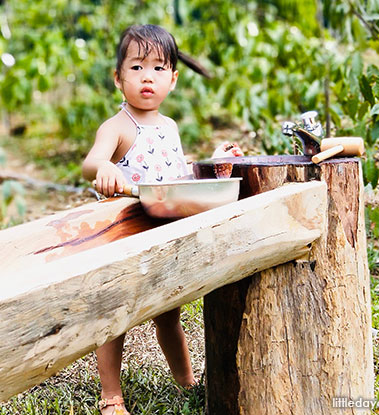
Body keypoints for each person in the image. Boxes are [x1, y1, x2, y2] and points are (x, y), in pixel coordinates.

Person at [82, 24, 241, 415]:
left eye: (157, 68)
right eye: (136, 68)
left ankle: (186, 383)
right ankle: (111, 396)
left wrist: (214, 158)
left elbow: (175, 175)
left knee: (169, 315)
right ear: (119, 79)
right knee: (114, 316)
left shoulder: (169, 127)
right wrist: (105, 169)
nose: (146, 76)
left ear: (172, 78)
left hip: (162, 229)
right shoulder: (117, 126)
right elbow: (91, 161)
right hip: (124, 231)